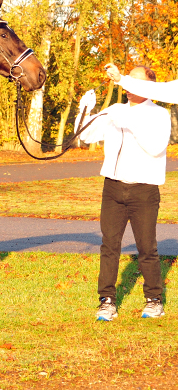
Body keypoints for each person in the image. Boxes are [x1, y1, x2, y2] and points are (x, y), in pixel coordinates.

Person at [75, 66, 170, 321]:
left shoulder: (160, 114)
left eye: (134, 82)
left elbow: (155, 147)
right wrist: (84, 111)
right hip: (113, 188)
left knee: (147, 248)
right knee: (109, 246)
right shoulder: (116, 110)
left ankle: (154, 300)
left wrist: (130, 122)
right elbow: (85, 135)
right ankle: (106, 302)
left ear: (149, 87)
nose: (127, 87)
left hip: (144, 191)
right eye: (126, 82)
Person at [105, 63, 178, 104]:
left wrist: (121, 79)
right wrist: (121, 79)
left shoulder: (159, 114)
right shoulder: (115, 110)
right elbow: (160, 90)